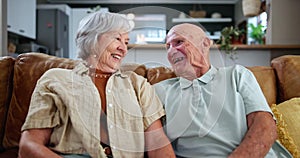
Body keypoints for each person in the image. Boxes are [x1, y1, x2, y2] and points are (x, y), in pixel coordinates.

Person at [18, 11, 175, 158]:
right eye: (117, 39)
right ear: (93, 38)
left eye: (126, 42)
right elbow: (29, 145)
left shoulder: (138, 84)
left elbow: (157, 143)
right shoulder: (56, 80)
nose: (123, 49)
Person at [154, 23, 292, 158]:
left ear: (205, 43)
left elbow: (265, 127)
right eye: (167, 46)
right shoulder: (159, 90)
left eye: (178, 42)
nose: (171, 51)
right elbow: (154, 142)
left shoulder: (237, 75)